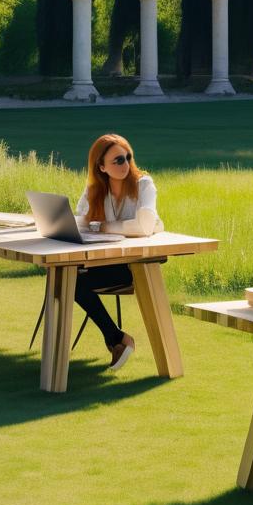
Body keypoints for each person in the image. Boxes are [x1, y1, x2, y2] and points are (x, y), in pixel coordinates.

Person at [73, 133, 162, 371]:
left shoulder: (144, 185)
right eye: (118, 160)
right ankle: (117, 340)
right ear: (101, 167)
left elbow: (143, 227)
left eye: (127, 157)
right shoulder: (95, 189)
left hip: (135, 266)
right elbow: (80, 220)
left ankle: (117, 340)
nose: (126, 164)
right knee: (62, 275)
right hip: (104, 261)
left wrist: (101, 225)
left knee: (70, 281)